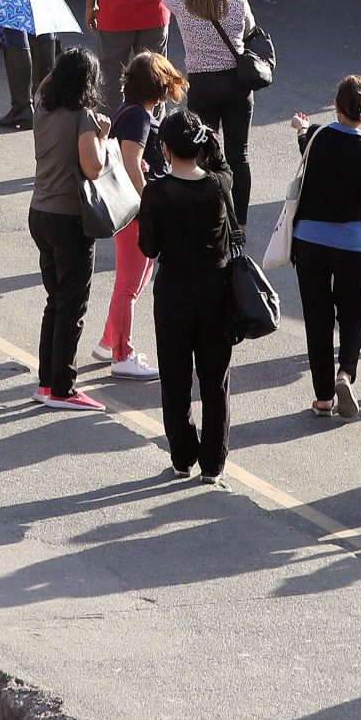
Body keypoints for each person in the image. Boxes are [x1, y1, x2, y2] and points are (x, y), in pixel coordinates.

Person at [140, 110, 242, 482]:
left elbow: (148, 248)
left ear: (165, 149)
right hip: (215, 292)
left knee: (176, 377)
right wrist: (213, 148)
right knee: (215, 380)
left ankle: (182, 455)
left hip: (173, 294)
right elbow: (225, 166)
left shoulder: (156, 192)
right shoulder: (218, 185)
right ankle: (213, 464)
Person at [291, 77, 361, 421]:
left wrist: (302, 130)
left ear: (335, 104)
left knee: (317, 318)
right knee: (352, 313)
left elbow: (307, 153)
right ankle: (345, 373)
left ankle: (322, 399)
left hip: (310, 239)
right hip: (352, 243)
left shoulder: (317, 137)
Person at [26, 47, 112, 411]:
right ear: (88, 82)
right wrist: (104, 137)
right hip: (68, 219)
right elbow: (93, 168)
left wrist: (61, 64)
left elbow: (46, 83)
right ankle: (63, 387)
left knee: (54, 300)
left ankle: (46, 383)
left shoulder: (41, 107)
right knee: (72, 304)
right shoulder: (84, 118)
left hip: (39, 212)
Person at [97, 50, 184, 384]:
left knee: (136, 279)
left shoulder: (130, 112)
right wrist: (149, 201)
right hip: (136, 212)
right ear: (159, 87)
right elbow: (132, 161)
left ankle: (109, 341)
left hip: (131, 211)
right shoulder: (139, 118)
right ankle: (123, 354)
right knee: (130, 286)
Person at [158, 0, 262, 225]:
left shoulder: (183, 3)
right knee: (239, 155)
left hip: (202, 86)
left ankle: (209, 216)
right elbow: (250, 31)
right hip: (236, 85)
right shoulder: (238, 2)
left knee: (203, 153)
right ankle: (239, 222)